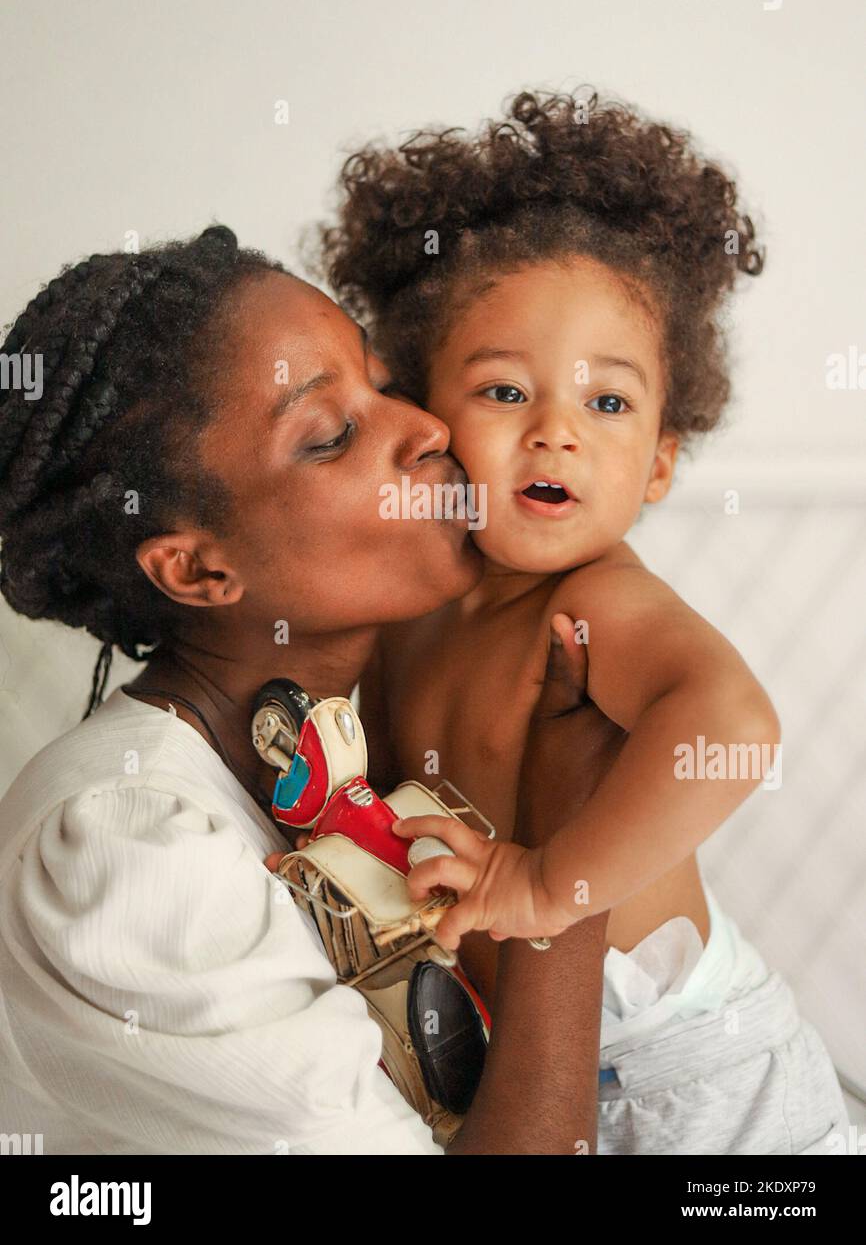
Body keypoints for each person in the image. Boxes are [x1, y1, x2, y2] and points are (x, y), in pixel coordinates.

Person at [318, 88, 851, 1155]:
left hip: (691, 1073)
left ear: (659, 458)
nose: (556, 433)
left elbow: (732, 727)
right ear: (425, 414)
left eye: (606, 403)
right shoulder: (401, 616)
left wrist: (539, 879)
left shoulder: (592, 601)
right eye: (505, 392)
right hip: (527, 1074)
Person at [0, 225, 609, 1155]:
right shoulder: (129, 850)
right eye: (330, 437)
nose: (428, 429)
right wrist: (574, 867)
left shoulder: (365, 740)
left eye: (382, 380)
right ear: (198, 570)